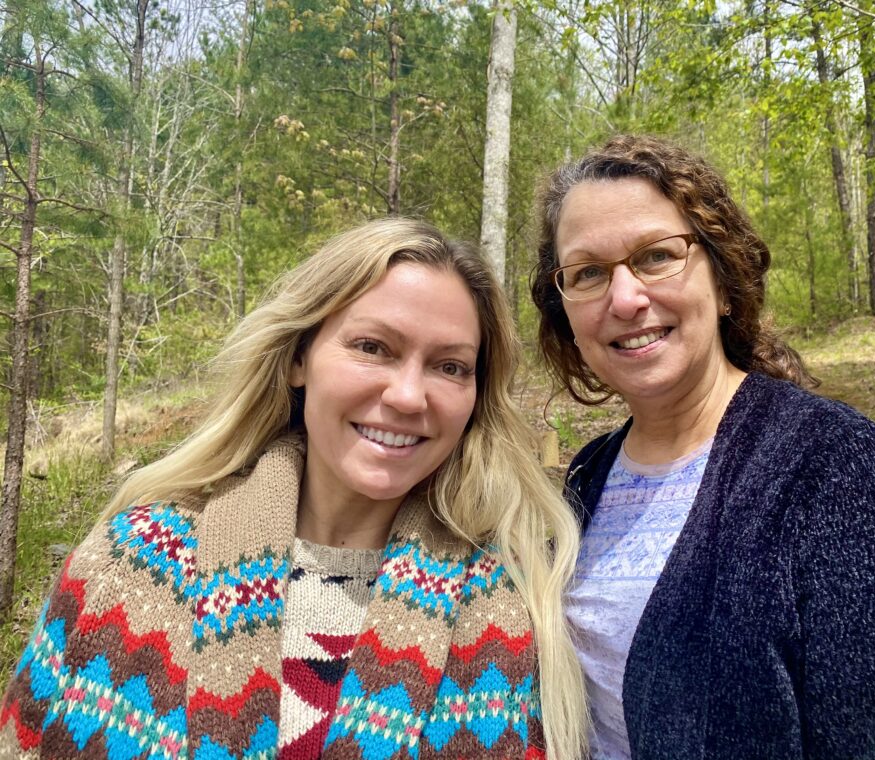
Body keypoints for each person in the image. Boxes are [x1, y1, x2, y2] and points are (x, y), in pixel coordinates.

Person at [1, 218, 588, 760]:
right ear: (298, 359)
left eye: (450, 366)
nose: (410, 396)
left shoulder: (511, 604)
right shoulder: (132, 561)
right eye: (371, 347)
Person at [530, 135, 875, 760]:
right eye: (587, 272)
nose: (625, 298)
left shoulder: (834, 468)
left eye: (657, 256)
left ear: (724, 283)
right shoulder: (586, 478)